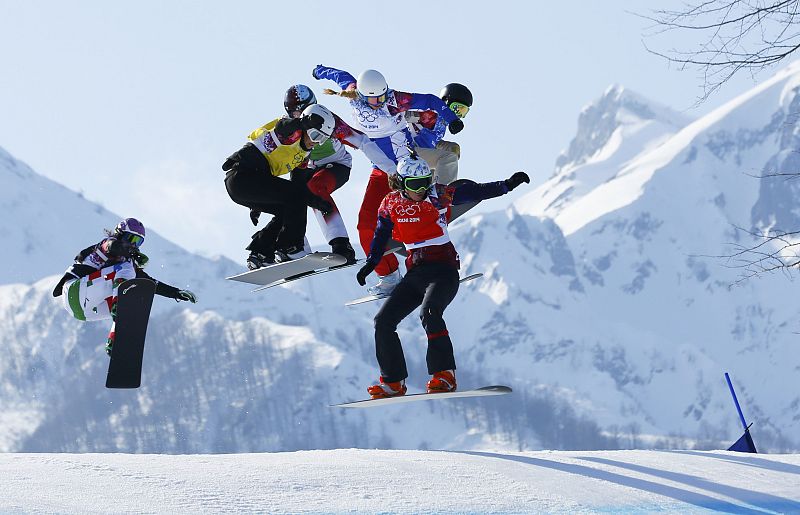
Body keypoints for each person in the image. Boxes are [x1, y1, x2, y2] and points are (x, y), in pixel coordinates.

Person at [355, 154, 530, 398]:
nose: (422, 189)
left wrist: (507, 185)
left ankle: (444, 375)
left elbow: (475, 192)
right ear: (401, 184)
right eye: (416, 185)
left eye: (426, 181)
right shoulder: (389, 203)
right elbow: (381, 235)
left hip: (443, 270)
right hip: (415, 273)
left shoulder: (438, 194)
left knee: (429, 313)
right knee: (382, 322)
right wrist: (371, 263)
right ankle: (393, 383)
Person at [312, 65, 463, 296]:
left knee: (447, 157)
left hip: (407, 167)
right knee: (365, 226)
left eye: (382, 96)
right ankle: (389, 276)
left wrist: (451, 118)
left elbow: (431, 100)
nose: (380, 102)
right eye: (374, 99)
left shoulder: (396, 99)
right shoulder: (353, 94)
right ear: (361, 95)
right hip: (382, 172)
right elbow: (342, 77)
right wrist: (320, 70)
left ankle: (439, 202)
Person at [52, 218, 197, 355]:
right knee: (127, 270)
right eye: (131, 239)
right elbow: (113, 247)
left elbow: (150, 284)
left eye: (138, 242)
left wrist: (176, 293)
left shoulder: (127, 264)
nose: (134, 244)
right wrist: (132, 253)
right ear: (120, 234)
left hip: (83, 312)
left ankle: (114, 343)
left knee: (138, 293)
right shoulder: (107, 244)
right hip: (74, 290)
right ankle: (120, 305)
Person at [223, 104, 337, 269]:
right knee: (295, 198)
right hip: (242, 176)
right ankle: (290, 247)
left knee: (288, 209)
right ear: (306, 127)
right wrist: (302, 122)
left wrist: (317, 202)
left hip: (248, 184)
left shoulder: (304, 156)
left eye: (322, 139)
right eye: (315, 135)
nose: (315, 142)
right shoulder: (293, 133)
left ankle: (261, 252)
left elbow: (298, 187)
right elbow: (282, 127)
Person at [407, 83, 473, 185]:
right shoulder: (432, 116)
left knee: (442, 163)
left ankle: (431, 193)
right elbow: (405, 116)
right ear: (446, 102)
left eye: (462, 111)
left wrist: (450, 146)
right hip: (410, 152)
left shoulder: (442, 125)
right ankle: (444, 191)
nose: (457, 114)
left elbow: (433, 141)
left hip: (422, 154)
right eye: (456, 108)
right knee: (449, 158)